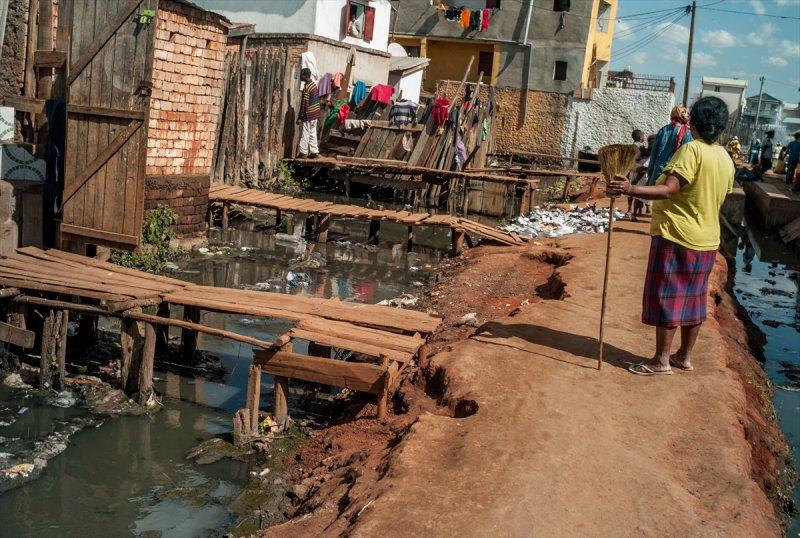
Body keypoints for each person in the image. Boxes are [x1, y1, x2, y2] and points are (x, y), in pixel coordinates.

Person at [608, 96, 734, 376]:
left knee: (668, 297)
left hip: (677, 235)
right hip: (707, 240)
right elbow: (721, 194)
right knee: (694, 300)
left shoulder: (691, 151)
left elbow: (669, 189)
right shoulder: (724, 157)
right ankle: (683, 356)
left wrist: (630, 189)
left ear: (694, 123)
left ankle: (661, 360)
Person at [647, 106, 692, 188]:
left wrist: (650, 173)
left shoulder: (664, 130)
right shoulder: (688, 133)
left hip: (658, 171)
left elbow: (654, 154)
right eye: (686, 113)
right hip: (675, 174)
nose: (688, 116)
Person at [297, 68, 320, 158]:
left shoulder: (307, 87)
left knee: (305, 132)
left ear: (305, 76)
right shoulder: (313, 85)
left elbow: (304, 103)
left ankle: (303, 152)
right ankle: (314, 152)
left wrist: (300, 117)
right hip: (315, 113)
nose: (300, 76)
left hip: (309, 113)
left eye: (301, 75)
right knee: (312, 132)